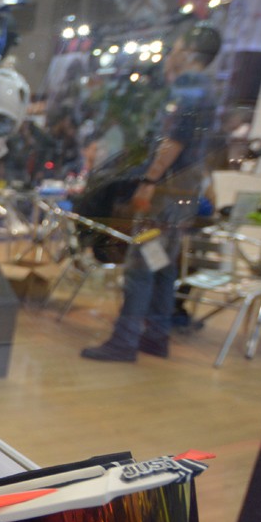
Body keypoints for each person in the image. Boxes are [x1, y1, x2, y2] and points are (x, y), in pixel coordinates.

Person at [81, 22, 222, 362]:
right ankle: (156, 336)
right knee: (163, 264)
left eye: (176, 48)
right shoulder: (209, 88)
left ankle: (125, 340)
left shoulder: (189, 85)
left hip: (165, 190)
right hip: (184, 190)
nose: (171, 54)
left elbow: (175, 139)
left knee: (141, 264)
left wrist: (148, 181)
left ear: (189, 51)